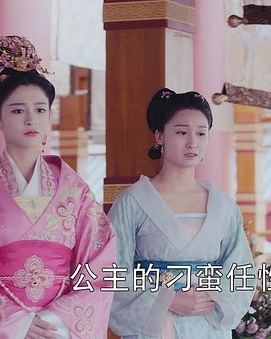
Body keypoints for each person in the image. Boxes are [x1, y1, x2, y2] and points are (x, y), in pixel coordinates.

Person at [0, 35, 116, 339]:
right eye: (18, 111)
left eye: (41, 110)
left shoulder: (75, 191)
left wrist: (54, 321)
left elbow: (100, 266)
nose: (31, 119)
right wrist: (15, 323)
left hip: (58, 330)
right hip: (1, 330)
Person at [108, 88, 254, 339]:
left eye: (201, 133)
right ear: (159, 136)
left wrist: (210, 294)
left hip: (207, 325)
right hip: (154, 327)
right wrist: (168, 299)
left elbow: (241, 270)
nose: (192, 142)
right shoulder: (132, 203)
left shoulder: (224, 207)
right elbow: (112, 272)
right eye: (181, 132)